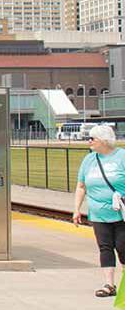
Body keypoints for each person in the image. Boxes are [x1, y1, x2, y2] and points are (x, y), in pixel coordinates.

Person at [73, 124, 125, 297]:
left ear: (104, 140)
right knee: (105, 248)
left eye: (92, 138)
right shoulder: (89, 160)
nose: (89, 141)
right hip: (98, 214)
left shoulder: (122, 157)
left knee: (122, 247)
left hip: (121, 213)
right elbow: (81, 186)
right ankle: (109, 285)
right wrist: (76, 209)